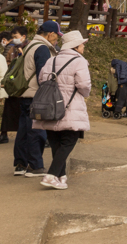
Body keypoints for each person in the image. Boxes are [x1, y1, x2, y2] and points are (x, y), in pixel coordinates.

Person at [33, 30, 91, 190]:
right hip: (69, 107)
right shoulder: (79, 62)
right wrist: (84, 94)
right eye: (82, 44)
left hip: (50, 107)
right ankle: (51, 175)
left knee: (56, 142)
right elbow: (84, 86)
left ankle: (61, 175)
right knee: (69, 140)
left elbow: (41, 80)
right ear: (76, 46)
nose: (83, 47)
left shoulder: (51, 60)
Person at [15, 21, 59, 178]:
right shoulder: (42, 48)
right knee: (37, 131)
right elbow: (43, 74)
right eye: (56, 37)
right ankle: (35, 166)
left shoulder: (30, 45)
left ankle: (20, 164)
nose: (56, 40)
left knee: (23, 131)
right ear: (50, 34)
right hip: (36, 96)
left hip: (25, 93)